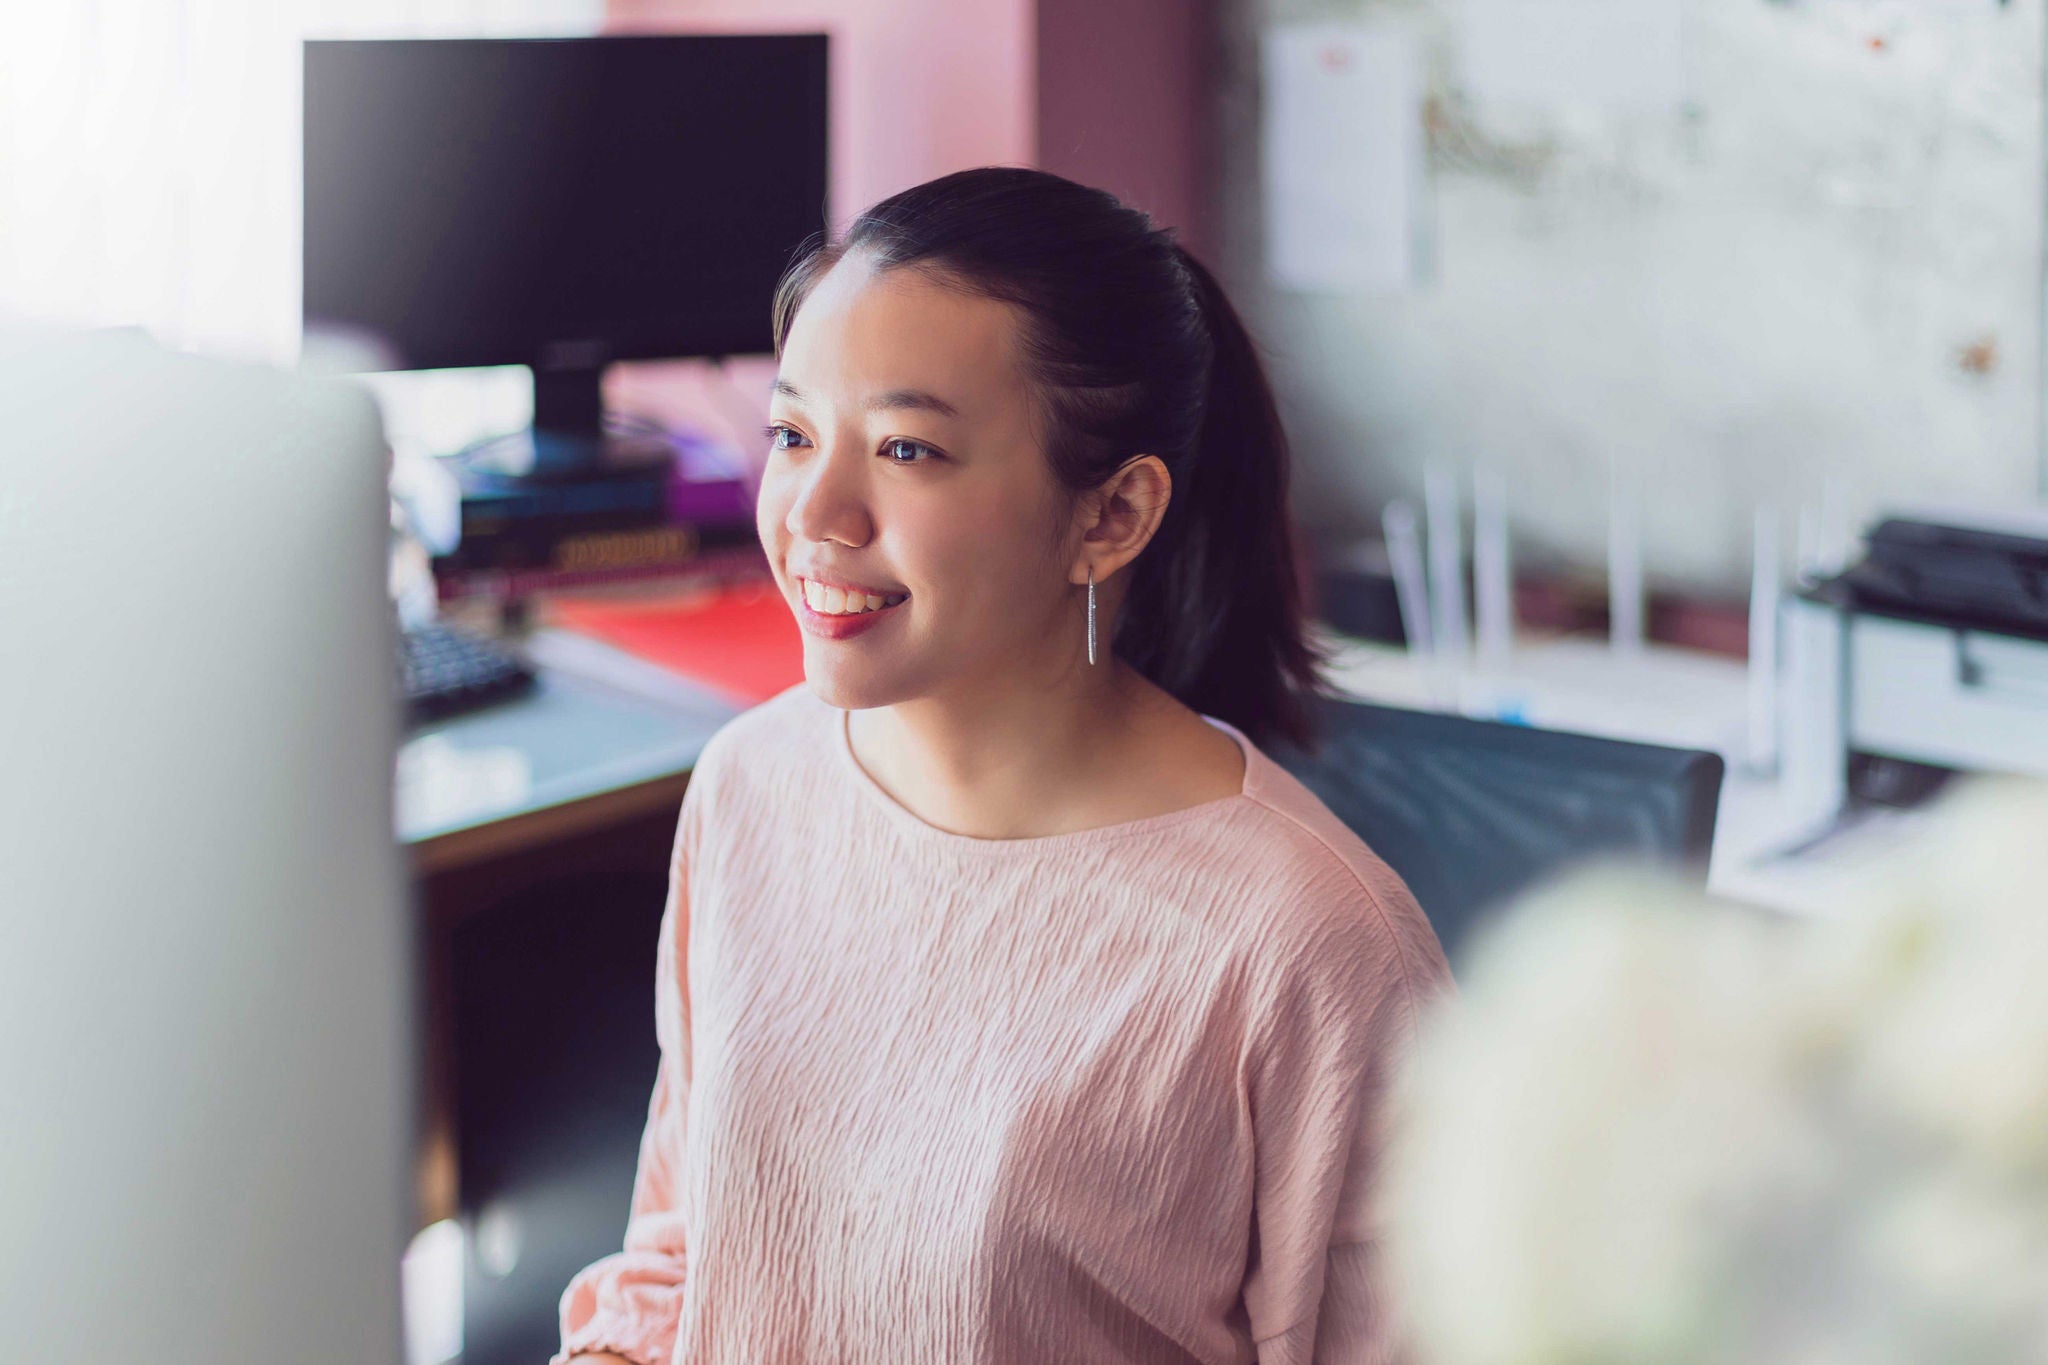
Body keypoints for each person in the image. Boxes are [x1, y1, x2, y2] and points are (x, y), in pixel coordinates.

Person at [553, 166, 1452, 1365]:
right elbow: (683, 1246)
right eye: (791, 432)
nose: (815, 512)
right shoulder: (750, 785)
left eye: (908, 449)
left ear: (1111, 517)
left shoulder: (1308, 946)